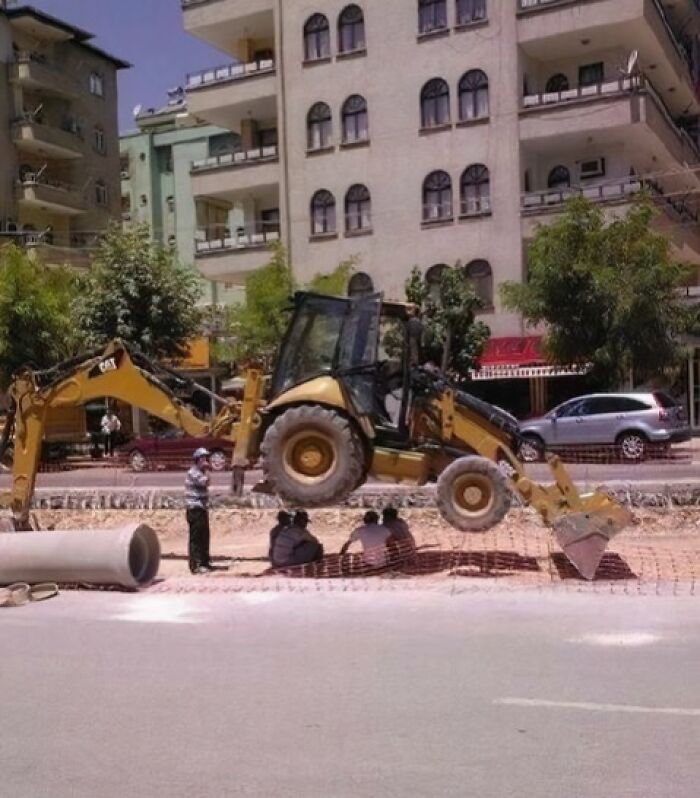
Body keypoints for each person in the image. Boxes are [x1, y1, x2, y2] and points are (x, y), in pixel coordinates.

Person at [185, 447, 212, 574]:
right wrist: (207, 469)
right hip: (195, 509)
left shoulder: (200, 472)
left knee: (204, 536)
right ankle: (196, 565)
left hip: (201, 508)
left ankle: (205, 561)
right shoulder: (193, 472)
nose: (206, 461)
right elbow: (205, 482)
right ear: (197, 460)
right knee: (196, 538)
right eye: (203, 458)